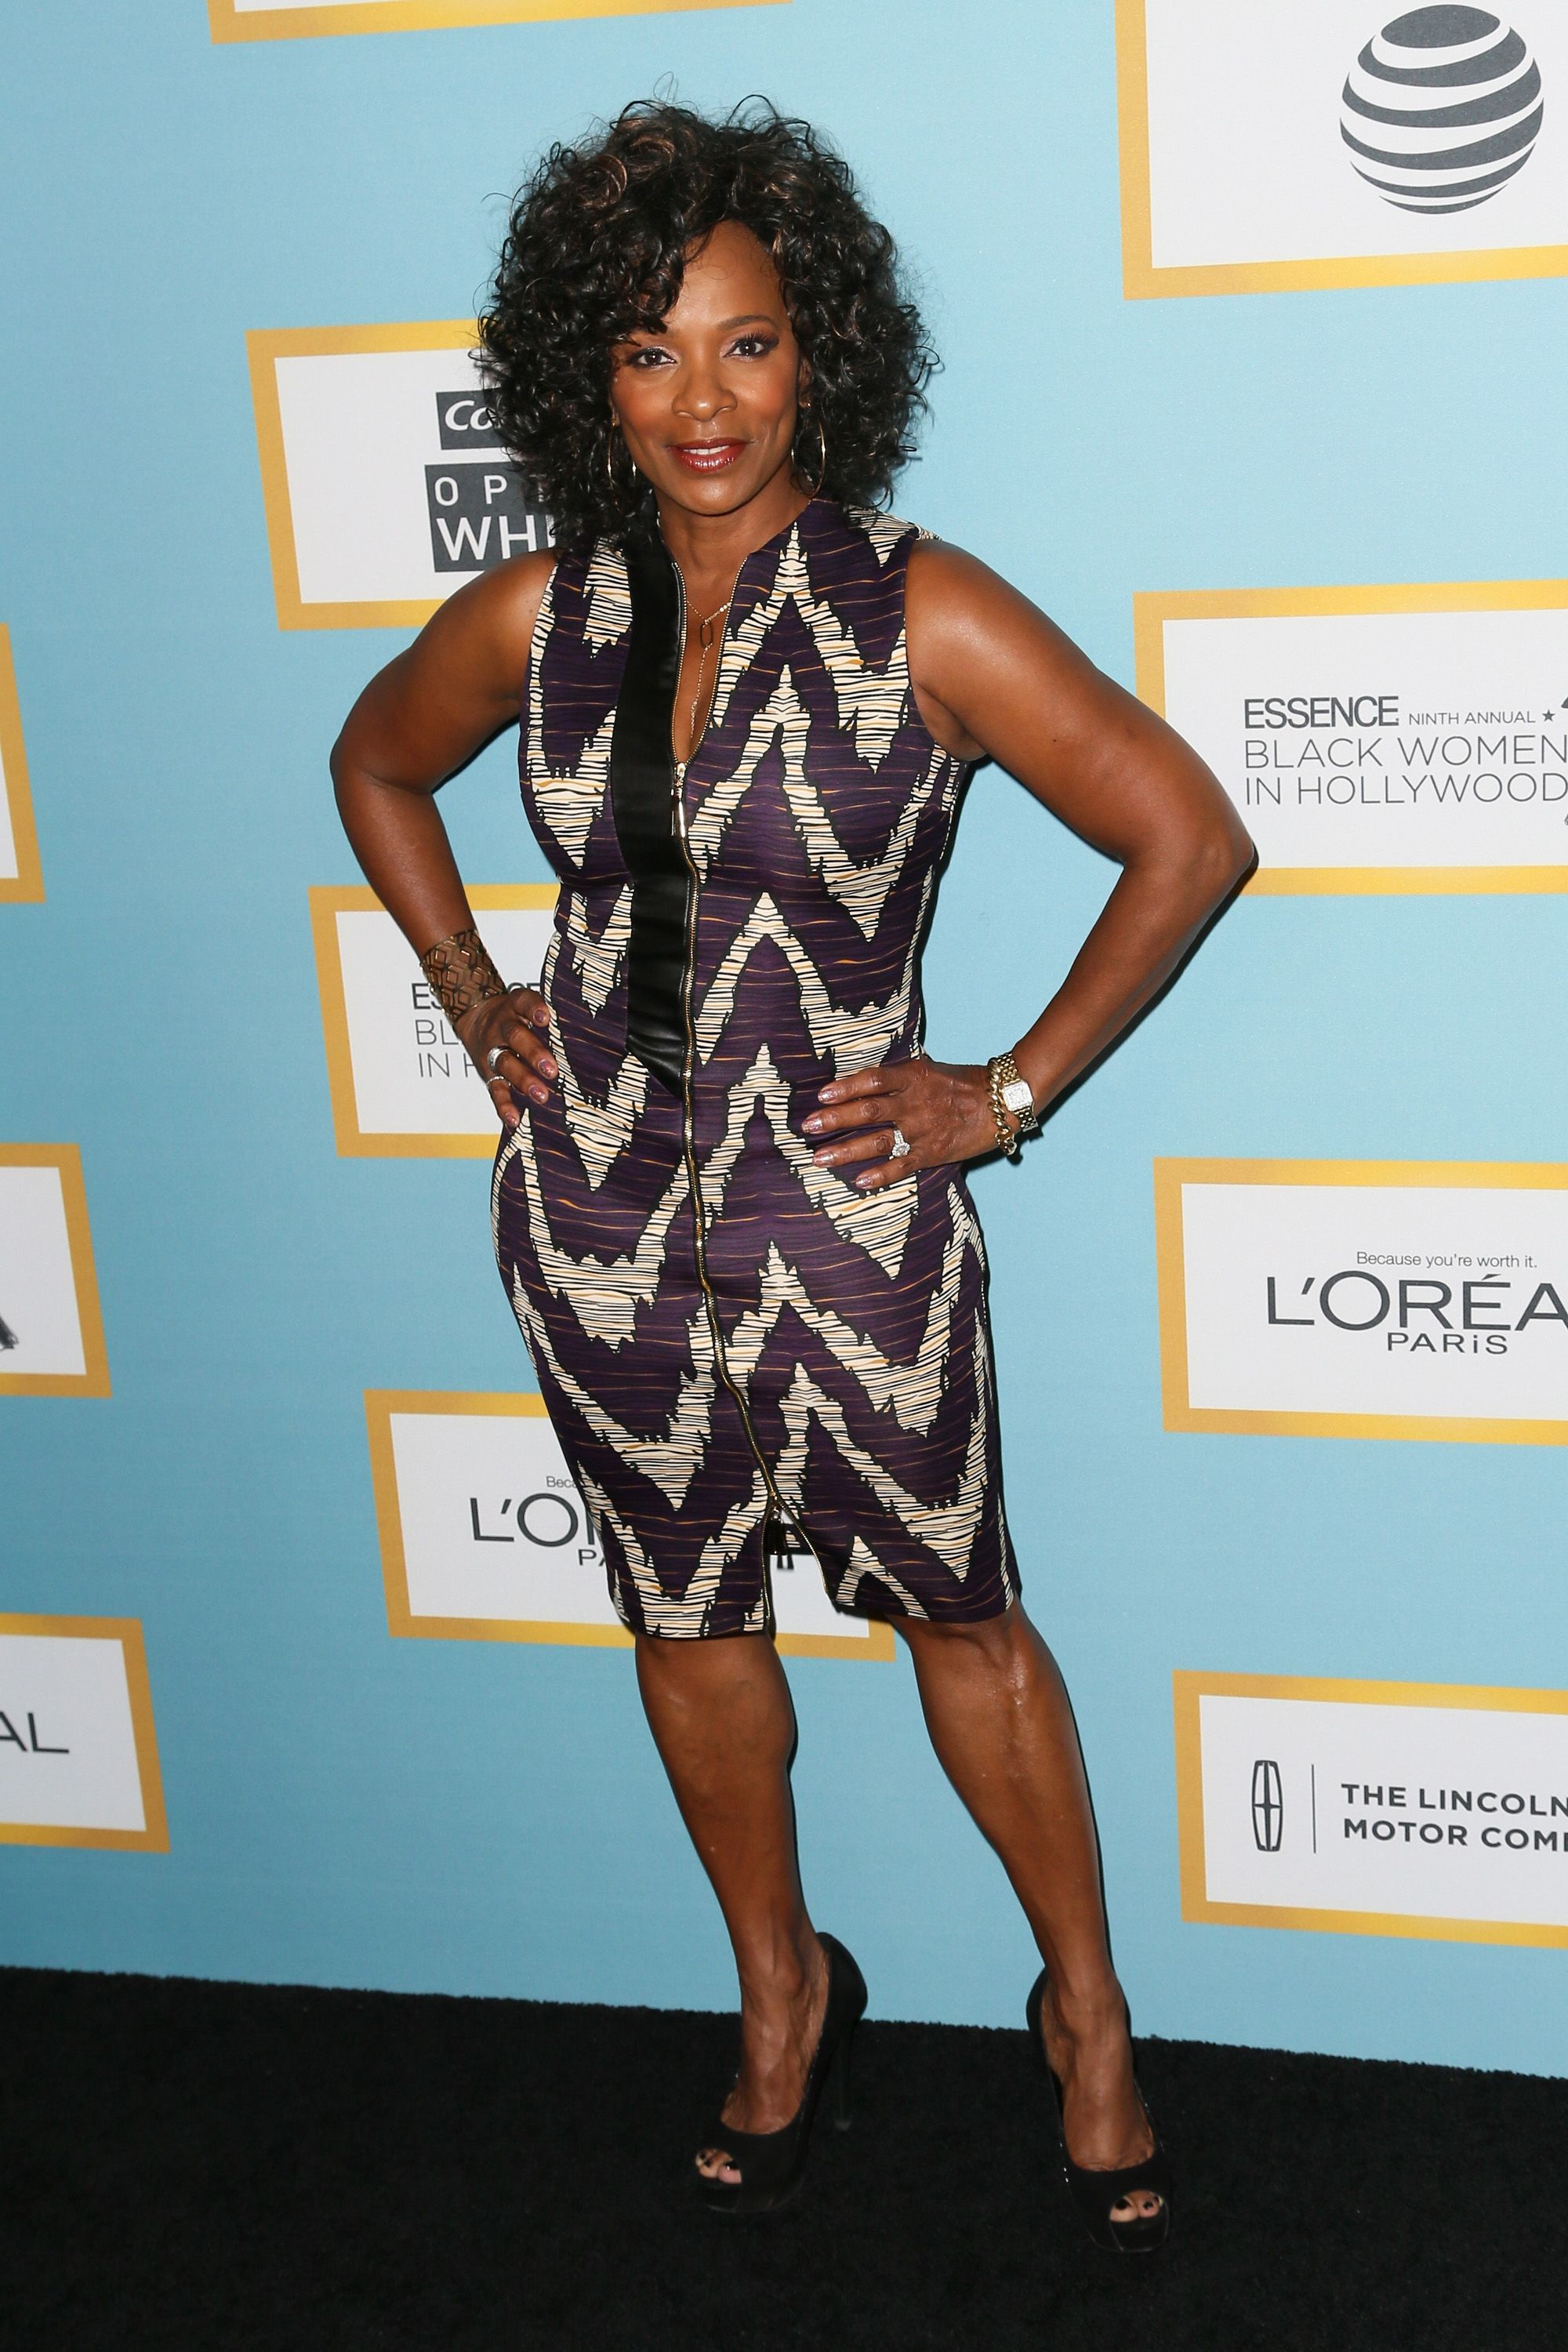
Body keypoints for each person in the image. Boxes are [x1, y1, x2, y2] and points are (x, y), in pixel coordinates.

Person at [332, 100, 1251, 2249]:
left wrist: (1001, 1091)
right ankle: (780, 1993)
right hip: (600, 1220)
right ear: (594, 378)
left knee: (962, 1614)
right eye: (651, 355)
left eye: (745, 346)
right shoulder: (541, 611)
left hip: (850, 1224)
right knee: (690, 1620)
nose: (704, 401)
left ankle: (1090, 2012)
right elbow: (375, 763)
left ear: (815, 351)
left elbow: (1185, 833)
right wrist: (478, 1005)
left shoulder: (920, 607)